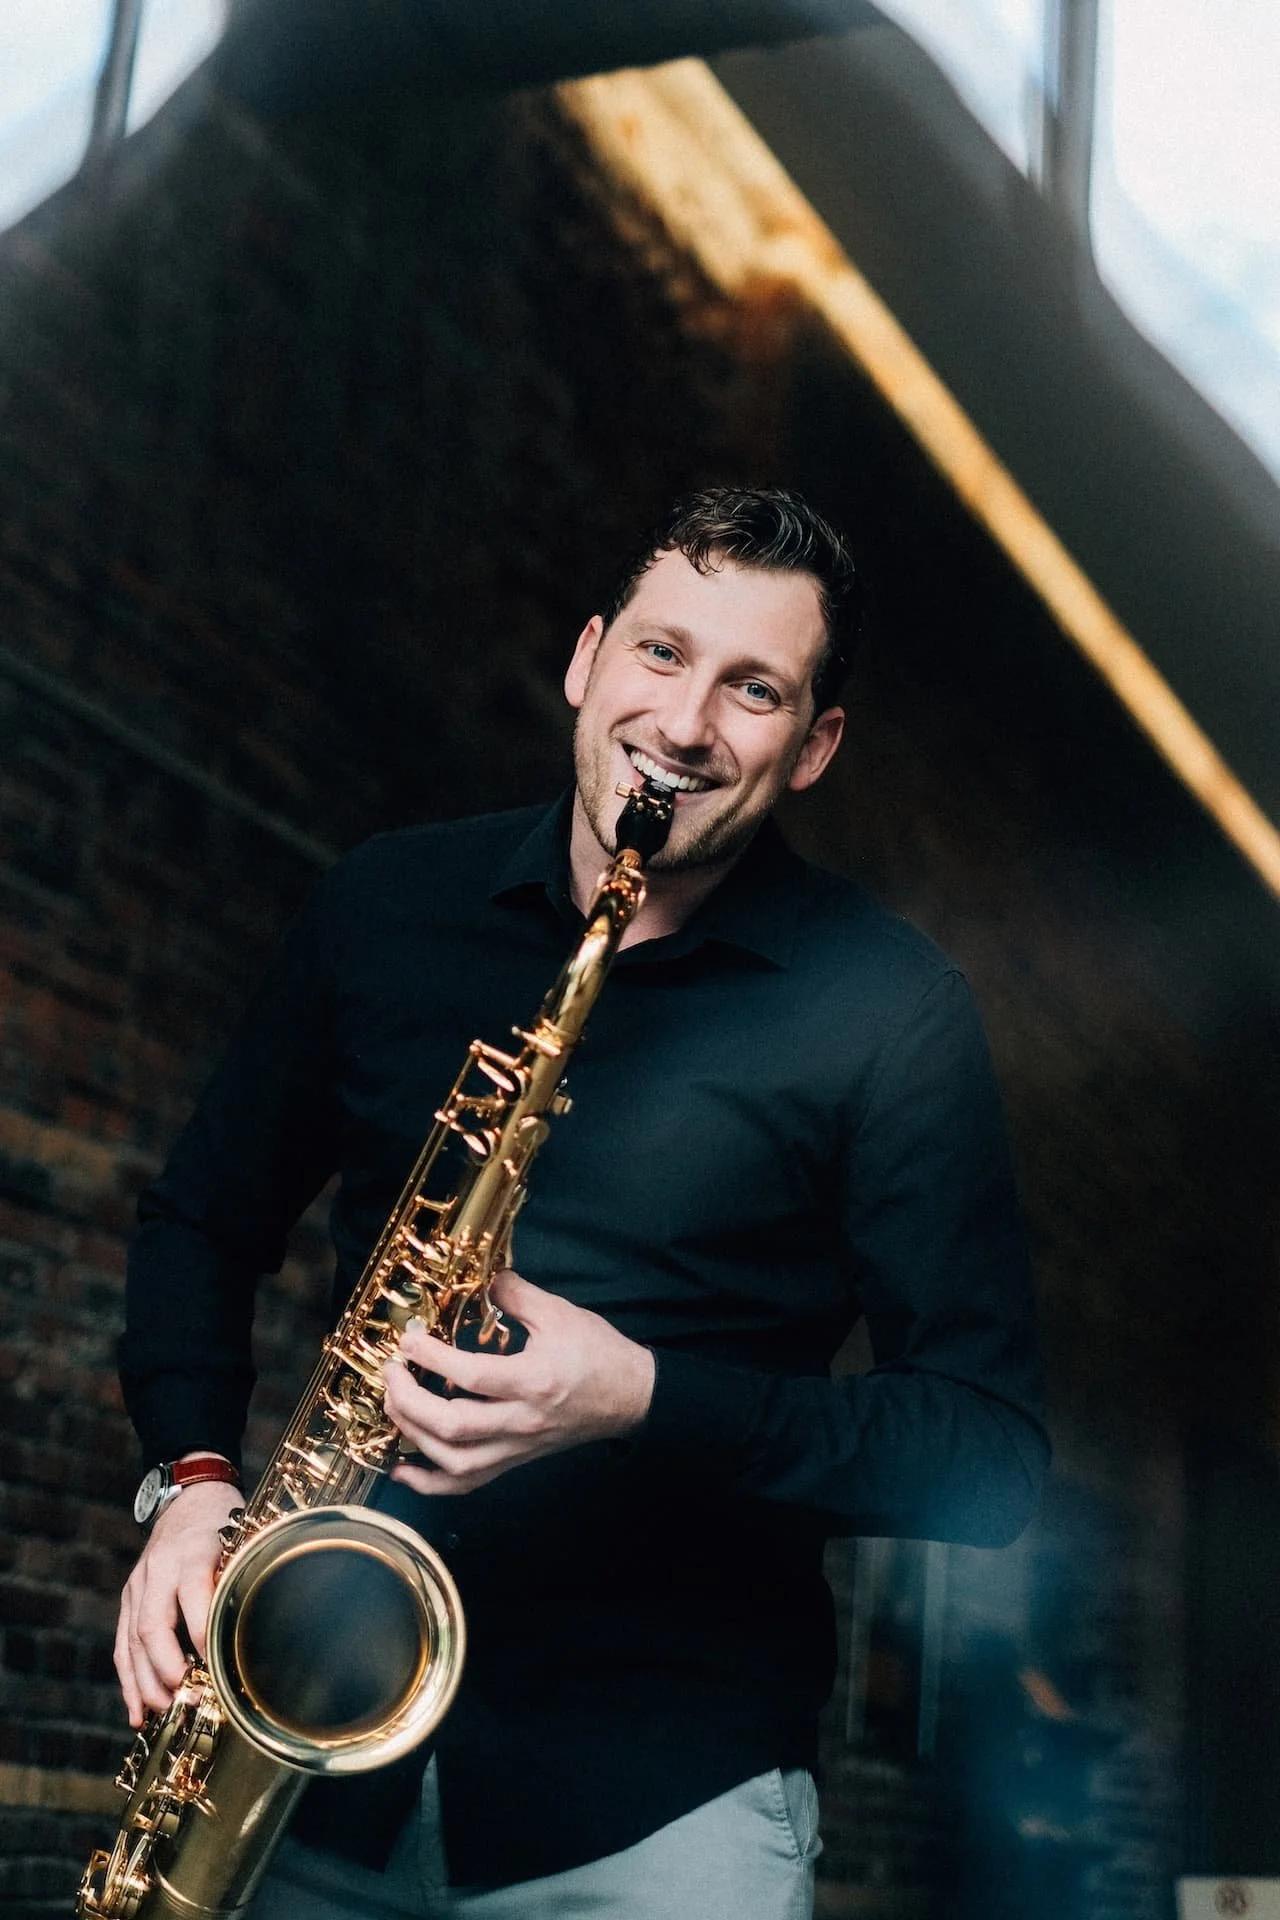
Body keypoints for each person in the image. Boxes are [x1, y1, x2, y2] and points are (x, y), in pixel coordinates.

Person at [115, 487, 1048, 1920]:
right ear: (588, 659)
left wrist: (642, 1398)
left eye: (754, 689)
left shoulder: (891, 1009)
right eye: (661, 655)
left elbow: (986, 1455)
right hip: (309, 1751)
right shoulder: (385, 907)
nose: (684, 726)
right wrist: (190, 1494)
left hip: (659, 1804)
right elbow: (201, 1221)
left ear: (814, 747)